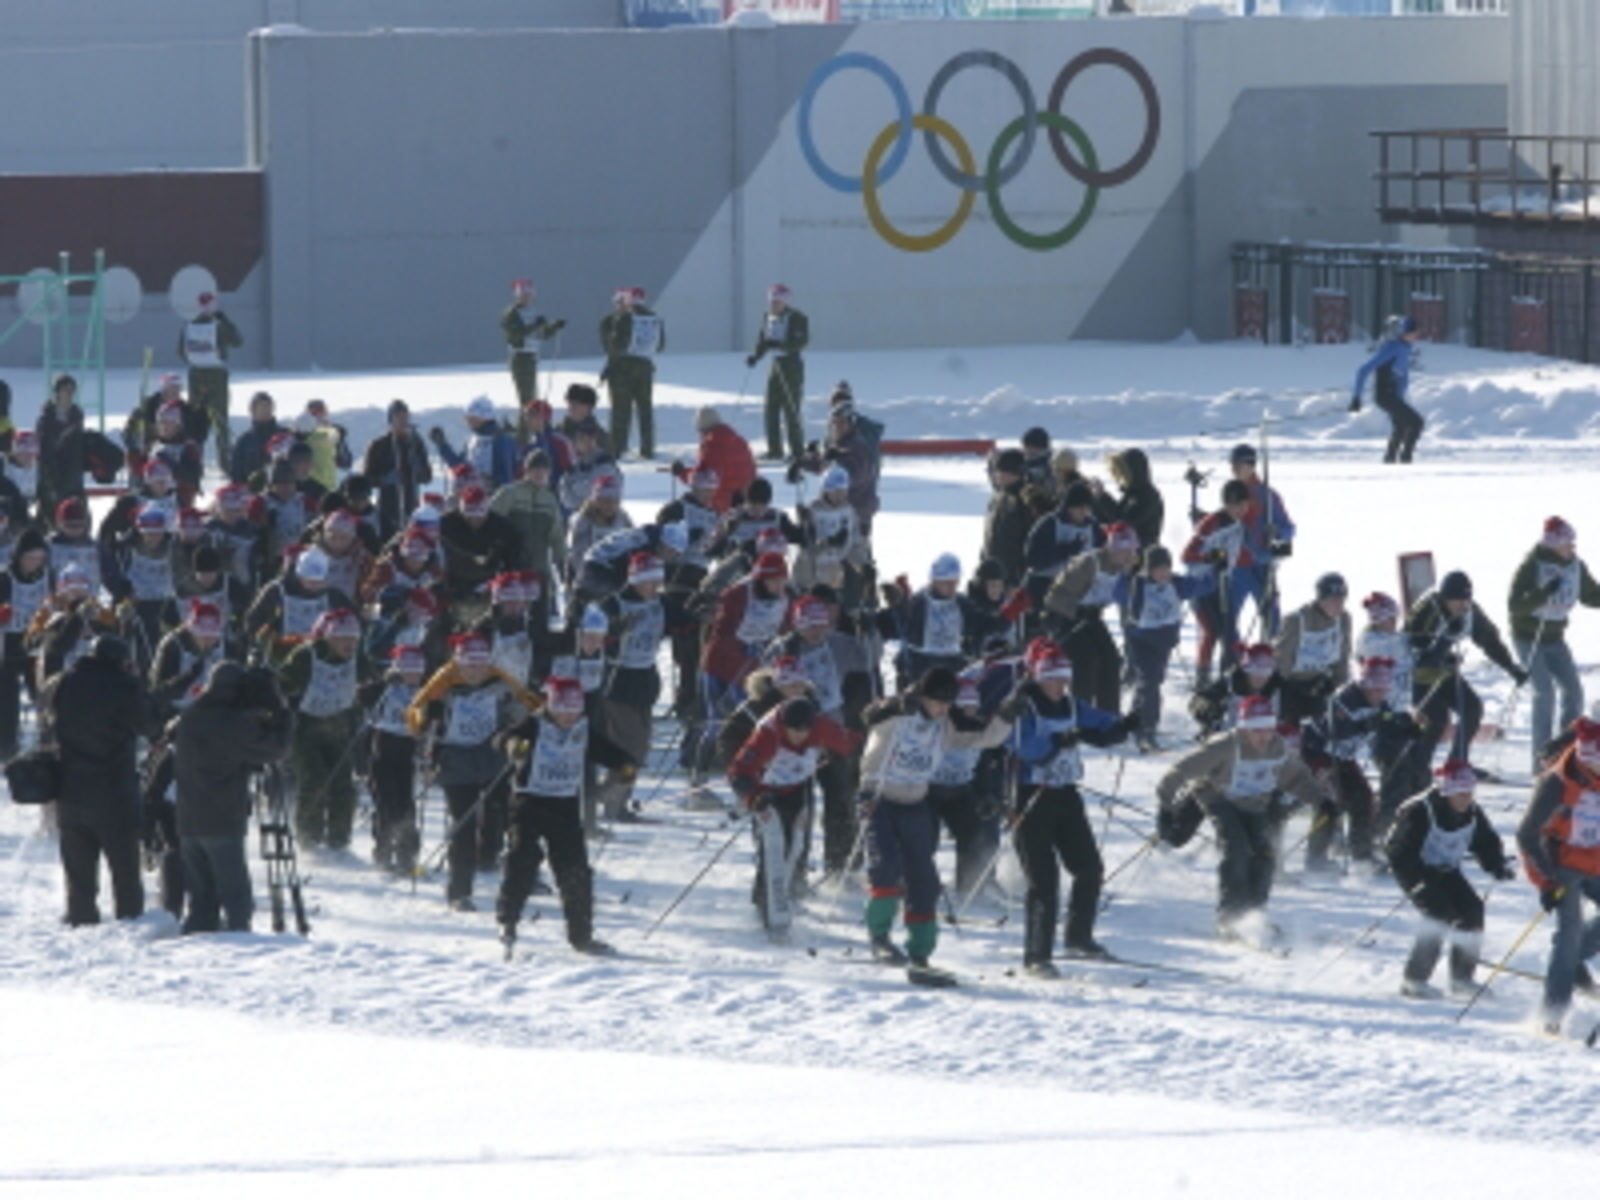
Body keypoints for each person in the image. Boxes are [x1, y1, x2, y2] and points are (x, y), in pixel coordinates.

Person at [856, 666, 1013, 977]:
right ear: (923, 696)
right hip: (879, 799)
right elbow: (869, 715)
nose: (942, 709)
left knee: (924, 880)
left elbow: (983, 736)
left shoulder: (947, 724)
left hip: (915, 803)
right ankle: (880, 938)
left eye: (947, 704)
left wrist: (1007, 716)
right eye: (937, 702)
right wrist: (897, 704)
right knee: (885, 866)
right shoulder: (899, 713)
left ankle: (920, 951)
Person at [1004, 639, 1138, 973]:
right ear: (1037, 677)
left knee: (1089, 868)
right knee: (1043, 882)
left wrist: (1123, 725)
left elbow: (1099, 722)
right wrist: (1054, 742)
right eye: (1051, 678)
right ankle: (1037, 956)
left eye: (1063, 679)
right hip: (1030, 798)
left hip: (1065, 795)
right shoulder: (1024, 705)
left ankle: (1079, 937)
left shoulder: (1071, 705)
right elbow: (1022, 745)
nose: (1058, 685)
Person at [1157, 694, 1322, 944]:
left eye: (1268, 729)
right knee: (1236, 850)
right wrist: (1166, 804)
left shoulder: (1277, 747)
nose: (1264, 737)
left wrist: (1322, 801)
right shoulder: (1225, 746)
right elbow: (1182, 770)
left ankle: (1254, 915)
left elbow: (1296, 777)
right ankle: (1229, 917)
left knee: (1265, 856)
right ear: (1244, 728)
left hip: (1254, 804)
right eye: (1257, 731)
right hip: (1219, 799)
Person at [407, 632, 542, 911]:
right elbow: (417, 711)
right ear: (458, 663)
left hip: (493, 754)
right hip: (456, 760)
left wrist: (524, 717)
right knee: (463, 824)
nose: (475, 672)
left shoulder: (498, 678)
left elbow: (525, 701)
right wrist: (427, 728)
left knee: (512, 814)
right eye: (469, 665)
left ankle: (526, 873)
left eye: (480, 665)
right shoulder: (443, 681)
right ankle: (459, 891)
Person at [38, 635, 164, 926]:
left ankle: (81, 921)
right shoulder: (124, 687)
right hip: (115, 791)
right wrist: (137, 683)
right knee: (125, 871)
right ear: (122, 661)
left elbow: (44, 708)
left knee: (78, 872)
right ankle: (129, 924)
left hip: (70, 790)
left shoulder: (62, 683)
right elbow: (153, 726)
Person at [170, 661, 295, 933]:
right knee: (234, 890)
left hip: (187, 819)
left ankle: (198, 936)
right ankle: (239, 939)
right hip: (221, 818)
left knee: (201, 897)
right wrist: (284, 715)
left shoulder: (191, 714)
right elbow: (276, 748)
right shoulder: (233, 723)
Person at [728, 696, 859, 941]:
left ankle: (785, 894)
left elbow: (850, 742)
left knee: (795, 846)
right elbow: (739, 771)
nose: (799, 736)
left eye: (804, 731)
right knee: (773, 847)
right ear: (783, 725)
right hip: (766, 793)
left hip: (798, 789)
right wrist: (753, 796)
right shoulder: (767, 734)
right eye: (793, 731)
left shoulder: (821, 726)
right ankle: (766, 905)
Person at [496, 676, 607, 956]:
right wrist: (513, 747)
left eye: (574, 709)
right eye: (562, 708)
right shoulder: (534, 724)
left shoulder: (583, 728)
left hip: (565, 807)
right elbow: (501, 738)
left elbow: (605, 749)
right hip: (528, 804)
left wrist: (626, 765)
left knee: (575, 872)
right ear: (551, 706)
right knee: (522, 860)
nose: (568, 715)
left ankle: (581, 935)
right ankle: (507, 921)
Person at [1386, 759, 1513, 1000]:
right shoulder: (1421, 810)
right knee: (1438, 912)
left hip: (1445, 869)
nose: (1467, 798)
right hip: (1415, 870)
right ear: (1447, 792)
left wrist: (1496, 864)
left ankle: (1462, 978)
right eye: (1461, 793)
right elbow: (1398, 851)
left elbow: (1485, 841)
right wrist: (1418, 878)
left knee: (1472, 910)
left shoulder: (1471, 812)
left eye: (1469, 792)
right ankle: (1414, 979)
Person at [1517, 716, 1600, 1034]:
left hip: (1597, 861)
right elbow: (1527, 835)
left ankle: (1574, 959)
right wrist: (1545, 884)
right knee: (1568, 935)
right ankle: (1551, 1014)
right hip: (1563, 864)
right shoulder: (1555, 783)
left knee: (1573, 946)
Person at [1405, 570, 1527, 771]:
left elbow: (1488, 639)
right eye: (1457, 601)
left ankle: (1457, 763)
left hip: (1445, 674)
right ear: (1445, 599)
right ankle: (1417, 767)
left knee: (1472, 708)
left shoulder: (1469, 612)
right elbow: (1417, 653)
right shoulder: (1426, 611)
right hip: (1418, 678)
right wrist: (1443, 649)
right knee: (1437, 719)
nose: (1463, 605)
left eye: (1466, 600)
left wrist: (1510, 667)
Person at [1508, 517, 1600, 775]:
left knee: (1573, 692)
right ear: (1553, 544)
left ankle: (1566, 753)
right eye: (1567, 543)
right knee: (1544, 693)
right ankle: (1541, 761)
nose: (1572, 547)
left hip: (1555, 637)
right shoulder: (1531, 565)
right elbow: (1516, 606)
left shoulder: (1574, 565)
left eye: (1573, 542)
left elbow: (1591, 595)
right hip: (1528, 636)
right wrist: (1543, 593)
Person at [1115, 544, 1213, 752]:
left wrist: (1215, 567)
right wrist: (1126, 574)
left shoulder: (1176, 583)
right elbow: (1119, 595)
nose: (1163, 574)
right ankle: (1147, 729)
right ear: (1148, 570)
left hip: (1164, 642)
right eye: (1158, 570)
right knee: (1149, 683)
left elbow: (1203, 586)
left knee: (1151, 682)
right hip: (1141, 641)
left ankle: (1135, 719)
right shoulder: (1138, 584)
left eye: (1166, 569)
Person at [1042, 522, 1142, 713]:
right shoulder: (1088, 563)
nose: (1129, 557)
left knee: (1111, 659)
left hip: (1091, 616)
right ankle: (1081, 713)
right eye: (1125, 552)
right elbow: (1056, 594)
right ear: (1112, 548)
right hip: (1065, 616)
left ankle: (1109, 714)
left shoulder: (1125, 568)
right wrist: (1068, 615)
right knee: (1086, 659)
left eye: (1132, 551)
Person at [1225, 443, 1294, 639]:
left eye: (1238, 464)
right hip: (1235, 566)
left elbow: (1289, 529)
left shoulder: (1267, 496)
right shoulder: (1230, 492)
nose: (1234, 469)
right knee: (1227, 619)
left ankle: (1269, 660)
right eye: (1232, 464)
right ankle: (1233, 659)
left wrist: (1277, 532)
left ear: (1250, 465)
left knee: (1271, 619)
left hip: (1261, 565)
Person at [177, 291, 244, 472]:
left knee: (195, 422)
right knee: (220, 421)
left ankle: (192, 461)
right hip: (216, 374)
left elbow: (181, 351)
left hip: (196, 375)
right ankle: (225, 462)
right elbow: (238, 341)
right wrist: (224, 319)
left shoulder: (189, 326)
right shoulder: (218, 326)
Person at [1273, 572, 1352, 724]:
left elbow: (1343, 655)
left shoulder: (1343, 619)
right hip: (1292, 685)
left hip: (1320, 684)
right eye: (1334, 600)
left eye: (1342, 600)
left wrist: (1339, 685)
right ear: (1321, 600)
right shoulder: (1297, 620)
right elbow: (1283, 658)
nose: (1339, 605)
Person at [598, 285, 664, 459]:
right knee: (645, 410)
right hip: (645, 368)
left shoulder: (624, 318)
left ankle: (618, 448)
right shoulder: (654, 319)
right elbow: (660, 345)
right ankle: (647, 447)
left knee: (621, 410)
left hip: (622, 370)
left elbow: (615, 345)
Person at [1351, 314, 1425, 464]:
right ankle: (1406, 460)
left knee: (1401, 426)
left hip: (1393, 396)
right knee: (1416, 422)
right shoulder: (1392, 348)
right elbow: (1363, 370)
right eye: (1414, 332)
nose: (1417, 335)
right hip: (1384, 395)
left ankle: (1390, 461)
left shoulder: (1405, 348)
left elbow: (1402, 377)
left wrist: (1400, 398)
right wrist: (1356, 397)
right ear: (1404, 332)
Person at [747, 284, 809, 461]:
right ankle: (775, 449)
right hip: (775, 366)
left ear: (785, 302)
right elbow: (763, 340)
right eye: (772, 301)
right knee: (771, 408)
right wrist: (755, 356)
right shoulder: (768, 317)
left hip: (791, 366)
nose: (774, 305)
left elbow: (800, 342)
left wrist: (781, 346)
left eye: (778, 301)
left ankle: (797, 450)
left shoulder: (797, 318)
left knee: (791, 408)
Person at [672, 406, 756, 514]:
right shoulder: (740, 441)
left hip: (721, 505)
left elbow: (702, 478)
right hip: (746, 501)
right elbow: (751, 470)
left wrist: (681, 472)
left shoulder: (711, 446)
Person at [432, 396, 519, 491]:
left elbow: (507, 475)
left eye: (471, 417)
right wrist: (443, 446)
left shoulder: (501, 440)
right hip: (474, 497)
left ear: (483, 417)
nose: (467, 420)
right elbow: (460, 467)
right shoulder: (472, 440)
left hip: (494, 497)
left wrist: (501, 498)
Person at [500, 279, 564, 406]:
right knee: (526, 397)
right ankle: (525, 424)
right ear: (517, 295)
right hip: (520, 356)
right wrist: (535, 326)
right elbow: (514, 334)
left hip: (532, 356)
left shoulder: (533, 312)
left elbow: (541, 334)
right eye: (523, 294)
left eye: (529, 294)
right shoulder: (512, 313)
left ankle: (530, 423)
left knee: (532, 395)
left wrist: (553, 327)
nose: (526, 297)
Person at [37, 374, 86, 520]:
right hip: (52, 471)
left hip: (73, 473)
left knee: (76, 512)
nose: (69, 393)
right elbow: (43, 446)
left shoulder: (77, 415)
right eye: (65, 389)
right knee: (49, 512)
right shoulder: (46, 417)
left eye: (71, 390)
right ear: (57, 392)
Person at [1092, 447, 1164, 548]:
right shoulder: (1132, 495)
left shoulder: (1148, 497)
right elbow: (1112, 519)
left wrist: (1103, 497)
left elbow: (1124, 522)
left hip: (1141, 555)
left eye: (1123, 472)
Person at [981, 448, 1032, 586]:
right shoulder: (998, 498)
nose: (999, 475)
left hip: (1014, 577)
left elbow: (1028, 541)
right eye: (998, 471)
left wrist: (1018, 577)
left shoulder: (1025, 500)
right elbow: (990, 538)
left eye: (1004, 471)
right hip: (993, 573)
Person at [229, 391, 287, 486]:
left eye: (268, 406)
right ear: (253, 410)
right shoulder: (244, 441)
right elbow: (236, 473)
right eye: (261, 406)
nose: (265, 410)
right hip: (253, 494)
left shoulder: (285, 436)